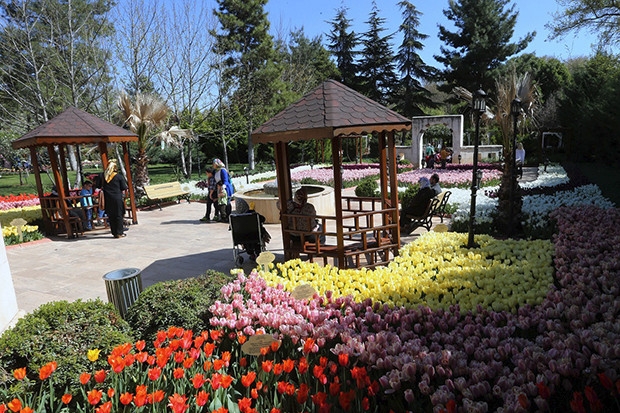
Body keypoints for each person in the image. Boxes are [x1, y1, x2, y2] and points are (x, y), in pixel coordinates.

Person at [102, 160, 128, 238]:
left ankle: (114, 232)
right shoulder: (118, 176)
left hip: (108, 199)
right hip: (117, 198)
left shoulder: (103, 176)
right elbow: (123, 187)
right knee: (118, 215)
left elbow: (98, 185)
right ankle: (119, 232)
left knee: (111, 216)